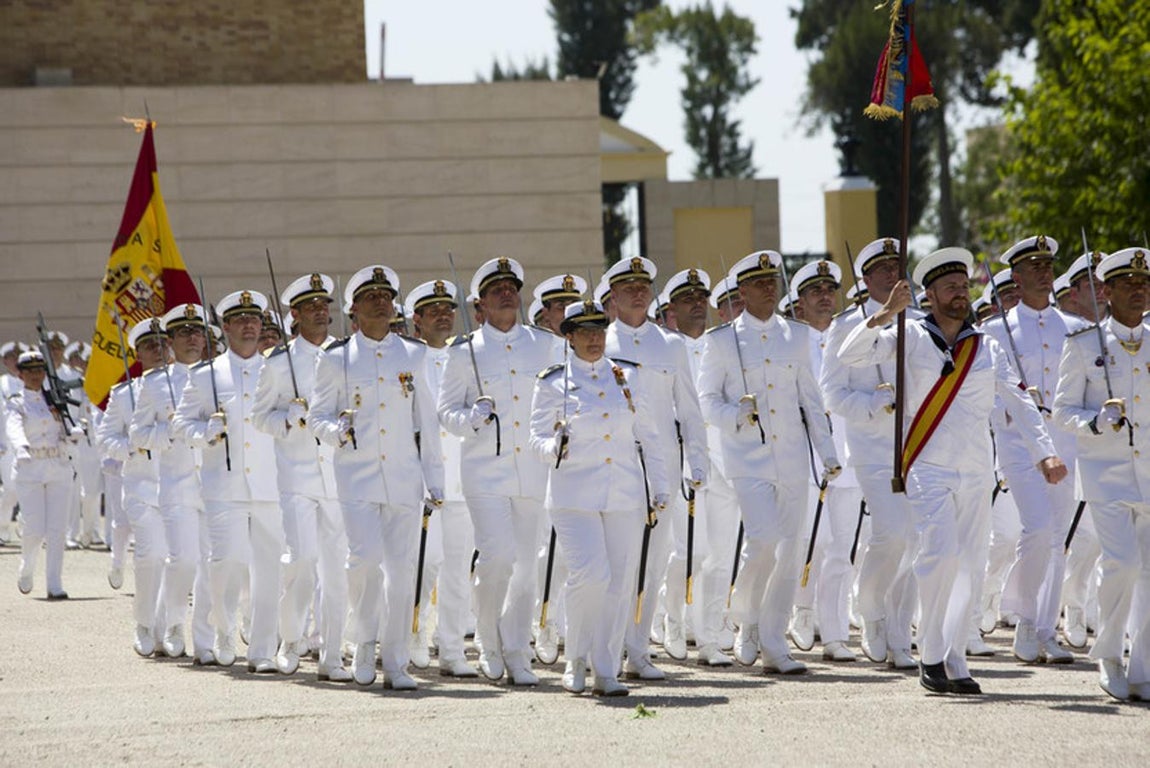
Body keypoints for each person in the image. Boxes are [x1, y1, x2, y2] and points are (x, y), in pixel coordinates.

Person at [838, 247, 1066, 695]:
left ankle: (955, 658)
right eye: (950, 288)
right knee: (939, 554)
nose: (960, 294)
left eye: (964, 287)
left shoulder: (987, 345)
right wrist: (885, 313)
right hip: (927, 463)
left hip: (977, 468)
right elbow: (850, 356)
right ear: (930, 295)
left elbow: (1019, 400)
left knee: (970, 565)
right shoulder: (909, 336)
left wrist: (1045, 452)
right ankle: (931, 654)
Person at [698, 250, 838, 676]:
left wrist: (827, 452)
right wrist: (732, 416)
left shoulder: (796, 336)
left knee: (791, 549)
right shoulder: (721, 340)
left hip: (792, 457)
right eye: (758, 283)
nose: (768, 288)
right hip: (747, 457)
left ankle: (774, 641)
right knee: (761, 541)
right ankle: (746, 618)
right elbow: (707, 399)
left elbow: (810, 399)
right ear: (742, 291)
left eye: (772, 281)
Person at [309, 265, 444, 691]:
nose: (381, 302)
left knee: (402, 573)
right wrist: (336, 431)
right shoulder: (335, 359)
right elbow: (317, 417)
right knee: (364, 561)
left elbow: (428, 422)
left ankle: (397, 658)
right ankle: (364, 642)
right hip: (357, 478)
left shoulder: (414, 354)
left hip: (404, 478)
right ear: (354, 310)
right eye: (372, 297)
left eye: (386, 295)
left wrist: (434, 480)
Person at [530, 299, 670, 696]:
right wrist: (554, 446)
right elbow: (535, 438)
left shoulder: (627, 376)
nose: (593, 339)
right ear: (569, 337)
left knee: (619, 582)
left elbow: (649, 435)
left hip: (623, 491)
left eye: (598, 331)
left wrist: (659, 486)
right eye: (584, 333)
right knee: (591, 574)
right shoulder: (552, 382)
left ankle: (605, 667)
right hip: (574, 495)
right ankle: (575, 658)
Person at [438, 257, 560, 685]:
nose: (506, 293)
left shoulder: (545, 344)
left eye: (511, 287)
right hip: (484, 469)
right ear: (481, 305)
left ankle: (516, 647)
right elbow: (445, 412)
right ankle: (487, 637)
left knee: (527, 567)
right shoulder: (463, 351)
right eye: (496, 290)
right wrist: (470, 418)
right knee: (498, 557)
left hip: (531, 467)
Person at [602, 256, 707, 681]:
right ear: (612, 295)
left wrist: (698, 459)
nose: (638, 291)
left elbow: (690, 408)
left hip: (661, 467)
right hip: (614, 467)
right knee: (618, 564)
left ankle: (638, 649)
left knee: (655, 560)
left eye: (643, 284)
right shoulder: (600, 343)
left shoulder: (672, 345)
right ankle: (607, 649)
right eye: (627, 286)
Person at [1053, 247, 1150, 701]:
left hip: (1148, 471)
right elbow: (1062, 410)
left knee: (1148, 572)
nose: (1138, 291)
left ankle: (1142, 666)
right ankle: (1109, 655)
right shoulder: (1084, 345)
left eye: (1144, 283)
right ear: (1106, 292)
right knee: (1123, 563)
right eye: (1128, 284)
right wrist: (1094, 421)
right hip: (1105, 473)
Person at [983, 235, 1083, 665]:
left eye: (1048, 265)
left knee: (1058, 538)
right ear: (1016, 277)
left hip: (1063, 441)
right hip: (1018, 444)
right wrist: (1013, 410)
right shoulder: (993, 330)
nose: (1044, 272)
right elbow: (985, 394)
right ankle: (1024, 620)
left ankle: (1046, 628)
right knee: (1037, 528)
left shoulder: (1075, 329)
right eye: (1034, 266)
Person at [821, 238, 920, 670]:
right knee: (892, 532)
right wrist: (870, 406)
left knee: (917, 539)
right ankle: (872, 606)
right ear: (865, 278)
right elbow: (832, 392)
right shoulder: (847, 326)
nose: (890, 274)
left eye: (896, 266)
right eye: (881, 269)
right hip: (872, 445)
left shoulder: (919, 322)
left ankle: (900, 627)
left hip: (917, 444)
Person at [173, 289, 283, 673]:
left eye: (255, 319)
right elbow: (181, 424)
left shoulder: (277, 368)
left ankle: (263, 649)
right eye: (241, 320)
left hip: (270, 484)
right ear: (226, 326)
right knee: (227, 563)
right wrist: (206, 431)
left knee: (271, 570)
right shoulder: (207, 375)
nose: (250, 325)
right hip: (226, 485)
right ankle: (222, 627)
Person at [252, 272, 352, 682]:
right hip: (297, 477)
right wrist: (288, 418)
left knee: (337, 570)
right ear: (294, 314)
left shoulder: (346, 356)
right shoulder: (278, 363)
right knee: (303, 561)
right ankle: (290, 640)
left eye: (324, 305)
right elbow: (260, 416)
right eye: (311, 307)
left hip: (340, 475)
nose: (321, 312)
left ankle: (332, 654)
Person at [130, 303, 214, 663]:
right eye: (184, 333)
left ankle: (206, 639)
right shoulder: (155, 384)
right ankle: (174, 622)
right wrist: (171, 432)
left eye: (198, 332)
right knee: (183, 560)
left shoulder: (218, 376)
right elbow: (138, 434)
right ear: (171, 340)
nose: (193, 338)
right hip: (177, 483)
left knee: (214, 564)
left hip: (215, 484)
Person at [787, 258, 862, 663]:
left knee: (841, 548)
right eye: (815, 292)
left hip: (847, 454)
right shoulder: (791, 341)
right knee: (813, 540)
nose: (825, 298)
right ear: (799, 303)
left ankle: (834, 634)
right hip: (806, 455)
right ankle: (801, 609)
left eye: (829, 290)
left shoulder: (848, 338)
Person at [403, 278, 478, 678]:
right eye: (433, 311)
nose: (443, 316)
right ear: (417, 319)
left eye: (447, 309)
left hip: (460, 477)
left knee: (457, 568)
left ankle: (451, 649)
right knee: (424, 564)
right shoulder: (409, 358)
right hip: (421, 479)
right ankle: (413, 634)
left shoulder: (464, 356)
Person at [95, 318, 168, 656]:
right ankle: (144, 622)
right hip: (141, 485)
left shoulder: (187, 386)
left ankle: (168, 626)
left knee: (179, 560)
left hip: (181, 486)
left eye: (162, 343)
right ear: (137, 353)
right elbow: (106, 438)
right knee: (150, 554)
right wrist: (133, 447)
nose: (158, 350)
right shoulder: (124, 394)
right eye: (149, 345)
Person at [8, 350, 82, 598]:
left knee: (57, 529)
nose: (35, 375)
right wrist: (20, 448)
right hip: (30, 467)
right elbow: (14, 427)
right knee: (35, 528)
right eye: (29, 371)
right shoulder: (17, 401)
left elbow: (69, 422)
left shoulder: (55, 398)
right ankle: (27, 565)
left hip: (58, 465)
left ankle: (54, 583)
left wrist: (75, 430)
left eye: (39, 370)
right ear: (20, 374)